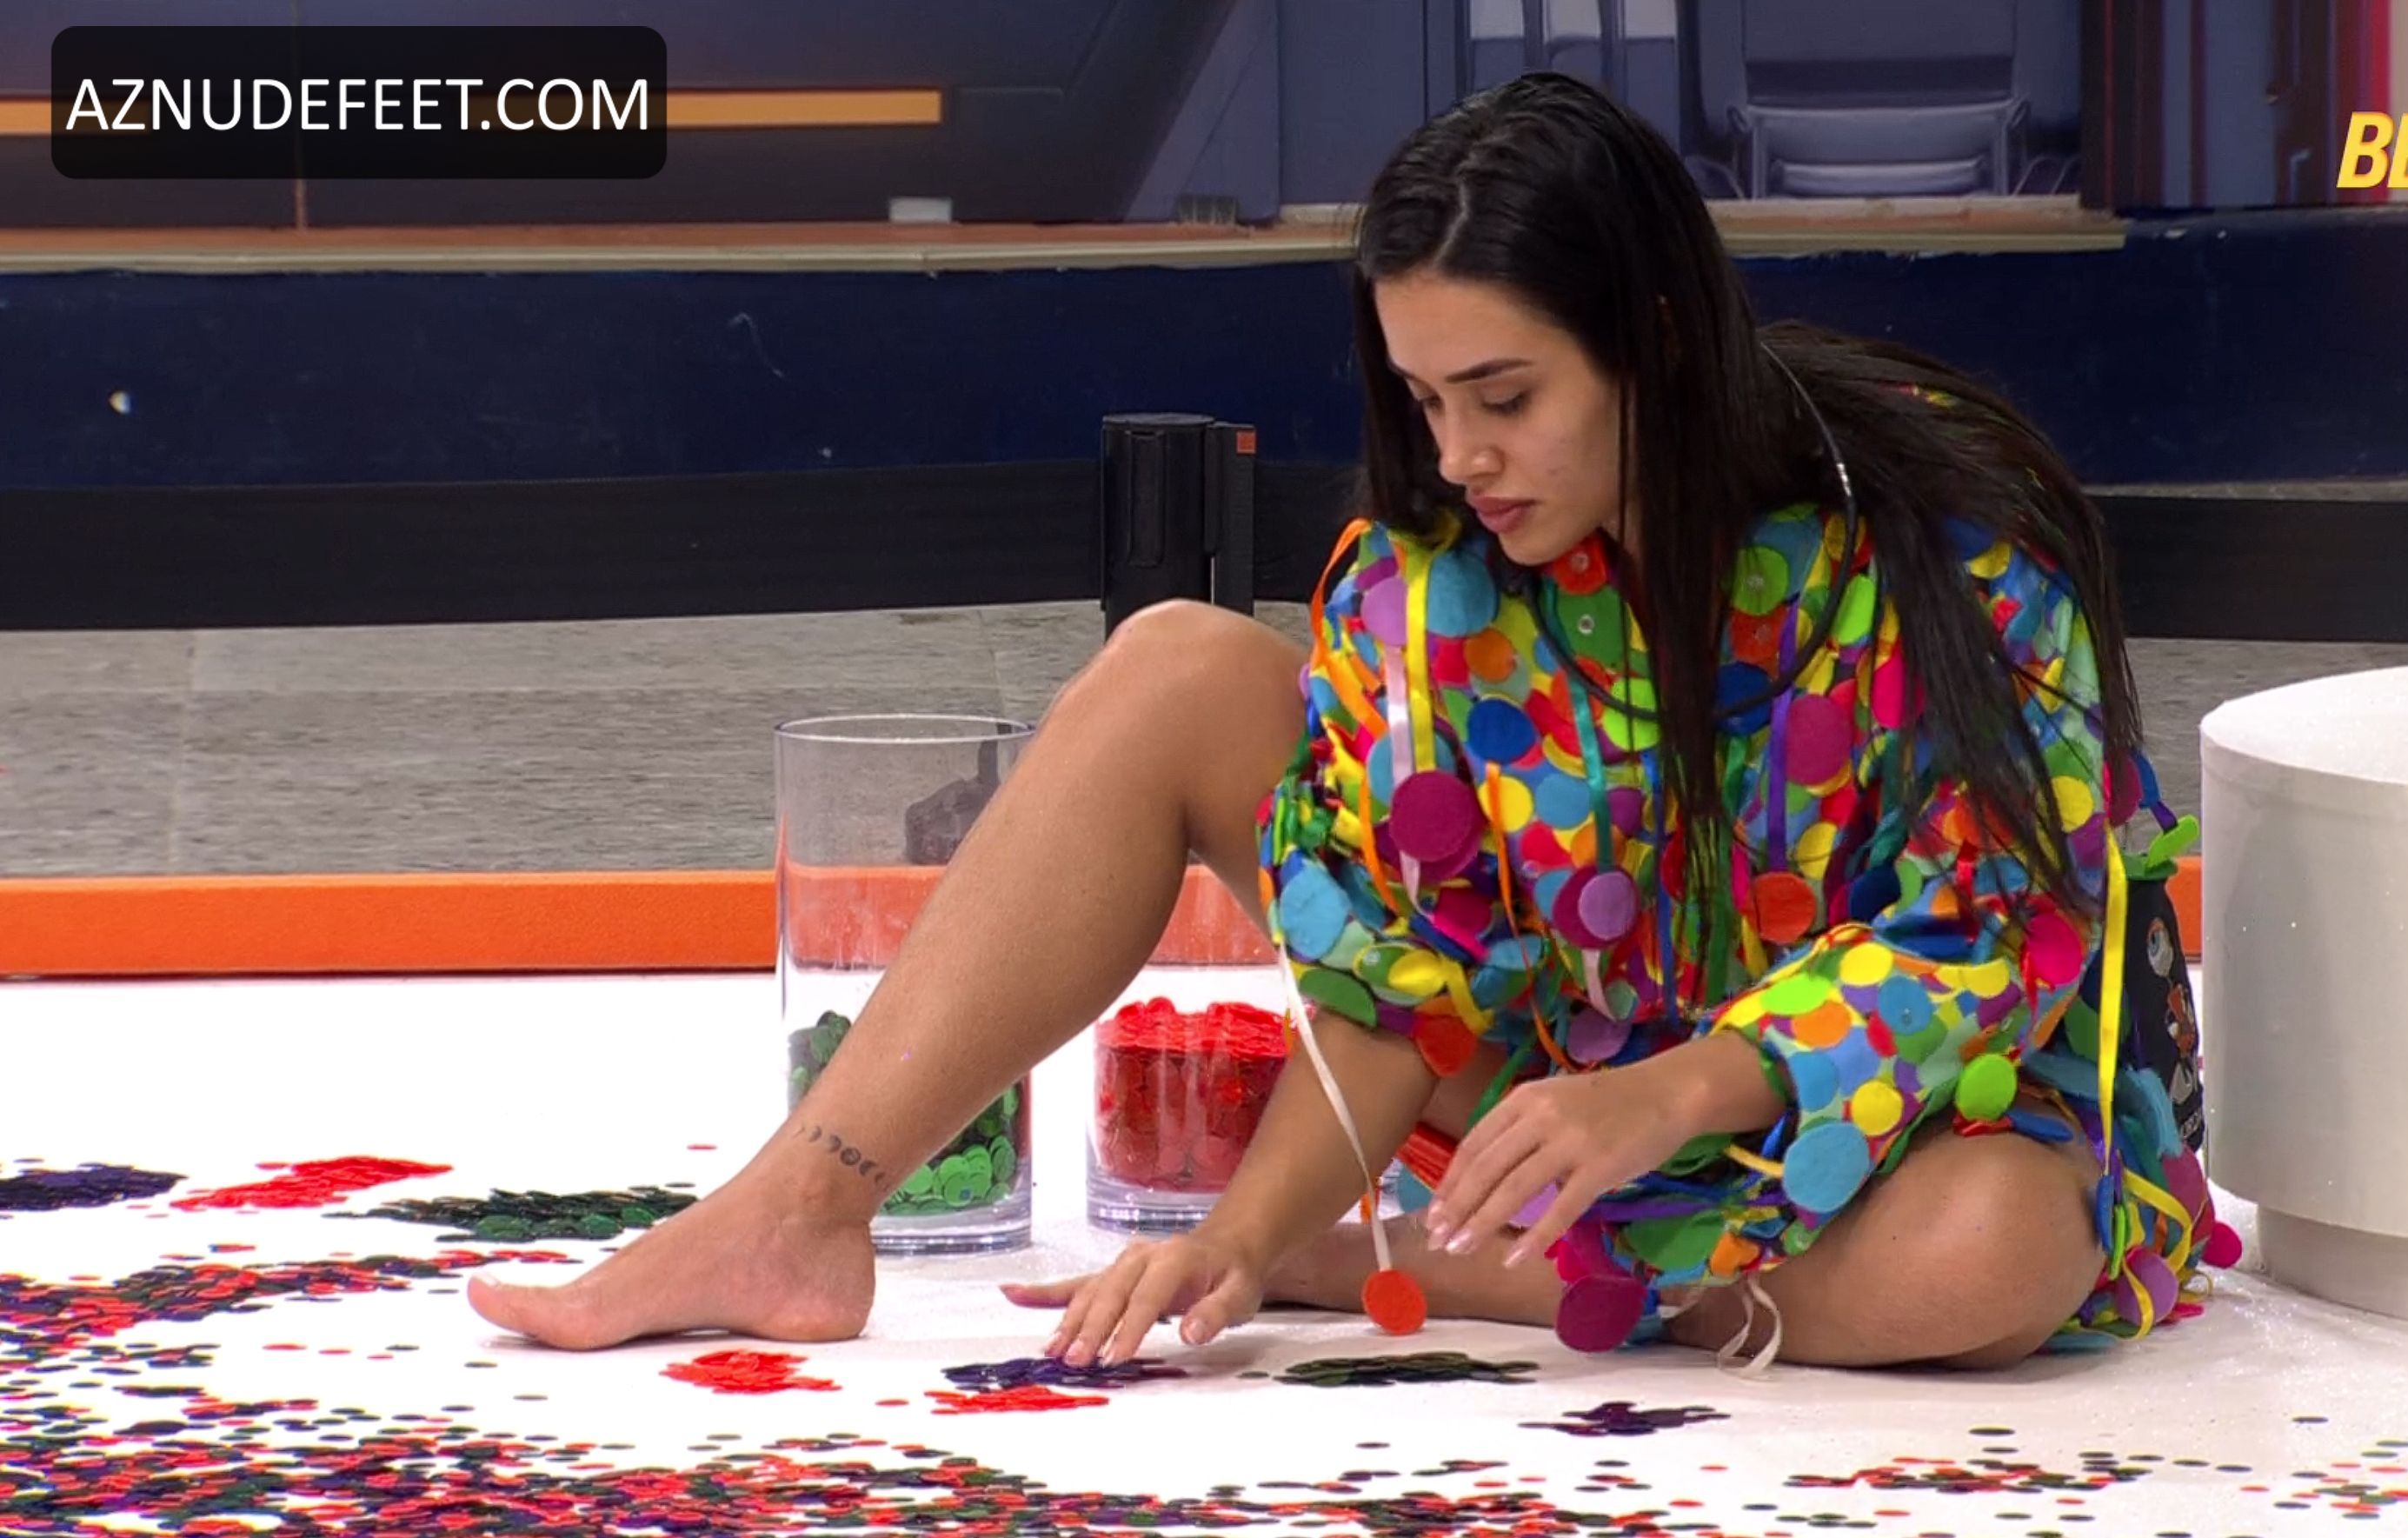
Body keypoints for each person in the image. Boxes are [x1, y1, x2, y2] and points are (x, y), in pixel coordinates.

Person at [469, 71, 2218, 1373]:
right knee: (1174, 663)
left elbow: (1999, 930)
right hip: (1546, 1117)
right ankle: (799, 1207)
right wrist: (1243, 1239)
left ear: (1661, 342)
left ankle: (1465, 1269)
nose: (1461, 455)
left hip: (1886, 1129)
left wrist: (1680, 1090)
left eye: (1506, 395)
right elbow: (1406, 972)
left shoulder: (1942, 547)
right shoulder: (1432, 577)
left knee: (1993, 1254)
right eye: (1424, 397)